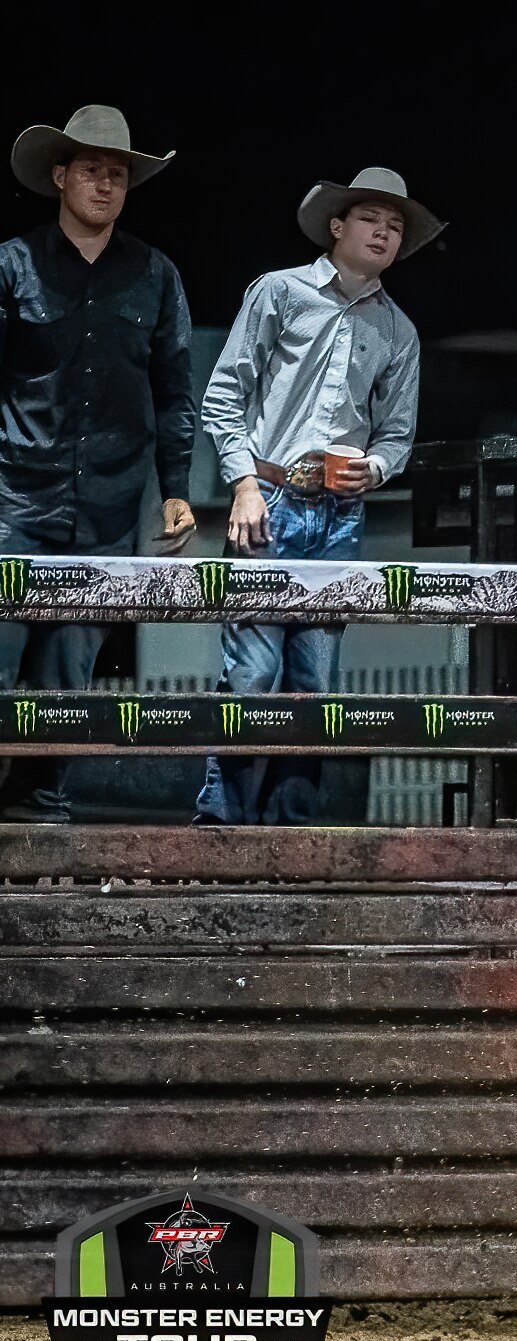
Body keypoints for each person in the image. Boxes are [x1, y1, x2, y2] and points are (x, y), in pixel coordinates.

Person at [193, 168, 442, 824]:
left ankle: (293, 836)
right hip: (270, 500)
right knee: (251, 674)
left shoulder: (398, 330)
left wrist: (378, 470)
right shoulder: (280, 292)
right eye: (371, 219)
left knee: (316, 684)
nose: (384, 232)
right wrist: (244, 483)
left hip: (339, 514)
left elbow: (395, 435)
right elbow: (224, 394)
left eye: (395, 226)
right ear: (338, 226)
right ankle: (222, 826)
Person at [0, 106, 195, 822]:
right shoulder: (13, 264)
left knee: (68, 678)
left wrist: (177, 491)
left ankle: (38, 810)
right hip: (15, 500)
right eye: (91, 169)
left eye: (117, 173)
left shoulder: (154, 274)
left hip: (109, 507)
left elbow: (175, 391)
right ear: (60, 176)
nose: (105, 183)